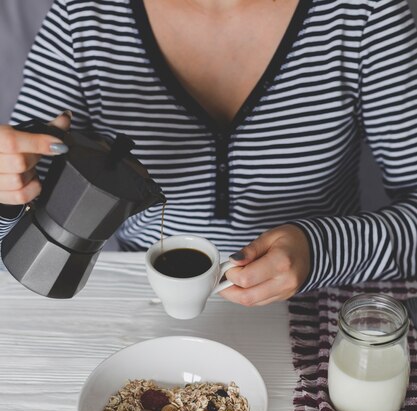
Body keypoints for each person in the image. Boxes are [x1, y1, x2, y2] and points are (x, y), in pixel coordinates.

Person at [0, 0, 416, 307]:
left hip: (320, 311)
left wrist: (320, 251)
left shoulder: (366, 14)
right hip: (138, 310)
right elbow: (15, 234)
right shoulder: (83, 18)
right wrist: (8, 193)